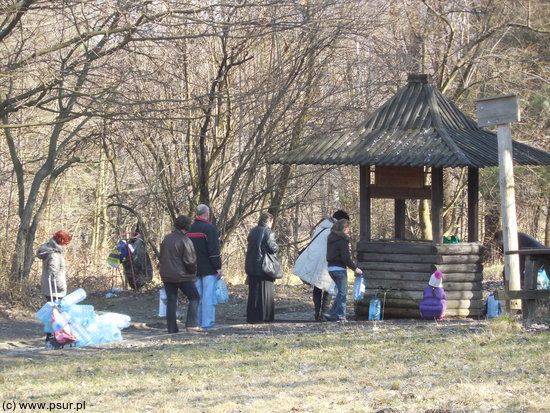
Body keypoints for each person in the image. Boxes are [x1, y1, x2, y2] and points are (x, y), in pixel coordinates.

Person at [293, 210, 350, 321]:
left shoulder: (321, 226)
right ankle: (323, 314)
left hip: (313, 260)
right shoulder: (335, 231)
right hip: (326, 261)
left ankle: (316, 313)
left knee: (317, 287)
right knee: (328, 286)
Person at [159, 215, 203, 333]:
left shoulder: (166, 238)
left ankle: (172, 329)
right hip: (182, 275)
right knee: (194, 297)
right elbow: (190, 261)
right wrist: (193, 272)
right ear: (187, 226)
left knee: (171, 301)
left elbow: (161, 257)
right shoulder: (186, 240)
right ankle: (191, 324)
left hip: (167, 275)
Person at [187, 204, 223, 330]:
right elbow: (213, 250)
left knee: (196, 297)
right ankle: (207, 323)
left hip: (193, 269)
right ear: (207, 214)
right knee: (208, 298)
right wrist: (218, 267)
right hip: (208, 269)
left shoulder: (189, 229)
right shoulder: (209, 228)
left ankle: (196, 323)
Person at [37, 230, 72, 342]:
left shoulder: (50, 251)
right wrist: (61, 286)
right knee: (56, 314)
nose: (66, 245)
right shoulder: (55, 255)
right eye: (66, 242)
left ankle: (51, 335)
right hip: (54, 289)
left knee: (53, 312)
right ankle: (55, 336)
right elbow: (54, 274)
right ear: (61, 241)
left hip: (49, 287)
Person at [324, 219, 362, 322]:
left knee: (341, 292)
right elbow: (345, 258)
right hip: (339, 268)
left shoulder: (331, 238)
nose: (349, 231)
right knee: (343, 292)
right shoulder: (342, 240)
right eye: (348, 229)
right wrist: (355, 268)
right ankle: (340, 316)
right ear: (345, 229)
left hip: (331, 268)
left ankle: (332, 313)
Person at [245, 212, 280, 323]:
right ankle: (265, 316)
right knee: (265, 292)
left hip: (251, 265)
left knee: (253, 293)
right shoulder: (268, 232)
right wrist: (277, 247)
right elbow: (272, 248)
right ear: (269, 221)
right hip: (264, 266)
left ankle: (253, 317)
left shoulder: (253, 231)